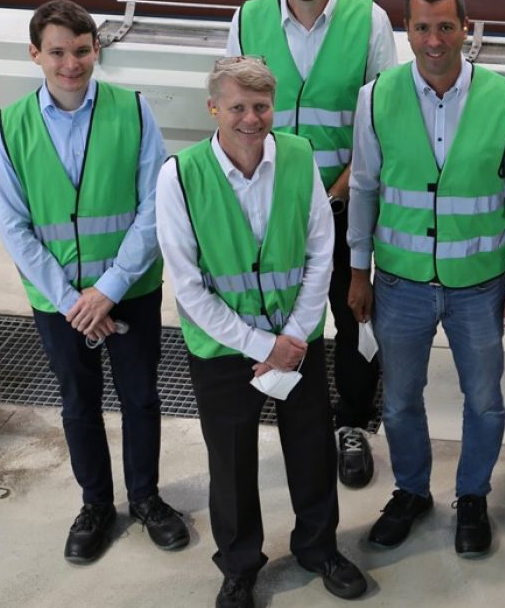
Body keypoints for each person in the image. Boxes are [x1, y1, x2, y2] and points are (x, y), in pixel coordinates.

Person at [156, 57, 367, 607]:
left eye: (261, 107)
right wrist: (262, 346)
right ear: (213, 110)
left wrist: (293, 338)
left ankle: (319, 549)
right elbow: (188, 284)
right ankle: (240, 564)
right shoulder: (180, 174)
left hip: (295, 341)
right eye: (237, 108)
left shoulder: (299, 156)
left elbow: (322, 251)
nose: (251, 119)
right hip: (225, 349)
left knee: (312, 448)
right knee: (230, 460)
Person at [347, 0, 505, 558]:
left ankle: (473, 496)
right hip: (400, 283)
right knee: (402, 398)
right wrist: (359, 270)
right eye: (423, 27)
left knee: (484, 399)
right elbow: (364, 187)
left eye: (447, 27)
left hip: (478, 286)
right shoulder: (376, 97)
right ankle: (410, 492)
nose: (435, 40)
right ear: (407, 29)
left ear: (466, 29)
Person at [0, 0, 187, 564]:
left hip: (131, 290)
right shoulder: (9, 126)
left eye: (81, 50)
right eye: (57, 52)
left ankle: (146, 497)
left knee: (141, 396)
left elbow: (155, 205)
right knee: (78, 402)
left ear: (96, 49)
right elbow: (15, 225)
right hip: (60, 303)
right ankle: (96, 503)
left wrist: (110, 288)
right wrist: (73, 299)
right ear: (35, 55)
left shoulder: (134, 110)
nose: (70, 63)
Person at [226, 0, 398, 489]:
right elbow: (234, 112)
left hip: (345, 204)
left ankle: (352, 424)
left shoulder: (368, 20)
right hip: (272, 211)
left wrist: (334, 196)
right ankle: (302, 420)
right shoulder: (246, 20)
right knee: (284, 315)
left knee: (353, 317)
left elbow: (381, 126)